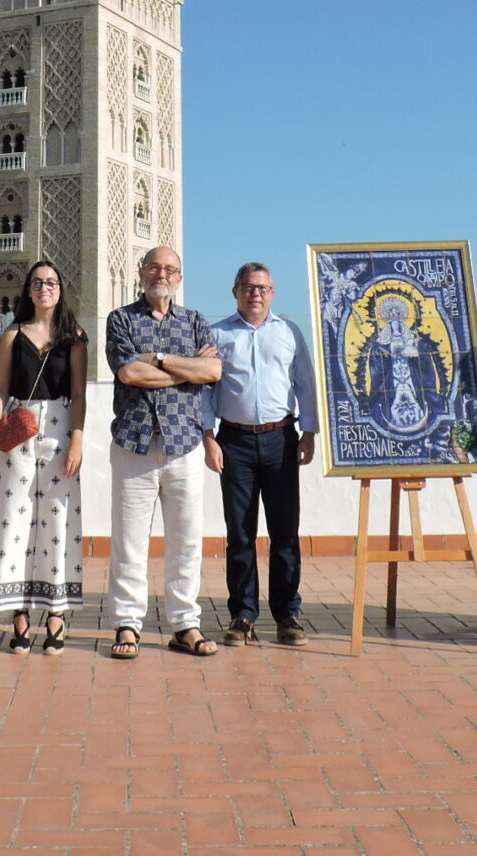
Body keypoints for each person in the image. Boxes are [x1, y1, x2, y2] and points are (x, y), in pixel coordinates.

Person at [106, 245, 222, 659]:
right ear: (141, 272)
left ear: (179, 277)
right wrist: (185, 370)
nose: (162, 274)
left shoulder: (195, 322)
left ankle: (184, 623)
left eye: (170, 269)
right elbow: (128, 372)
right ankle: (126, 624)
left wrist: (158, 359)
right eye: (154, 267)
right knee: (129, 541)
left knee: (186, 540)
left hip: (184, 444)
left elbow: (212, 371)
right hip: (134, 443)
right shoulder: (121, 319)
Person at [201, 262, 320, 647]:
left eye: (263, 287)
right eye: (248, 287)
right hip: (233, 441)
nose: (255, 293)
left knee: (285, 531)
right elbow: (204, 390)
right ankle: (243, 615)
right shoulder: (217, 335)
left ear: (272, 293)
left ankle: (287, 615)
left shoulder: (289, 332)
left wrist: (310, 432)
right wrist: (208, 437)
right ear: (235, 291)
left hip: (281, 440)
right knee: (240, 533)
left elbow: (305, 382)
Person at [0, 260, 88, 654]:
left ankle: (57, 612)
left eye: (52, 282)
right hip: (18, 426)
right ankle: (20, 612)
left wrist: (77, 440)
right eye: (38, 282)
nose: (45, 288)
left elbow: (79, 394)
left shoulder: (73, 336)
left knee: (59, 519)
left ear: (61, 289)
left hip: (60, 429)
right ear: (28, 290)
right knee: (15, 520)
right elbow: (1, 386)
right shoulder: (13, 333)